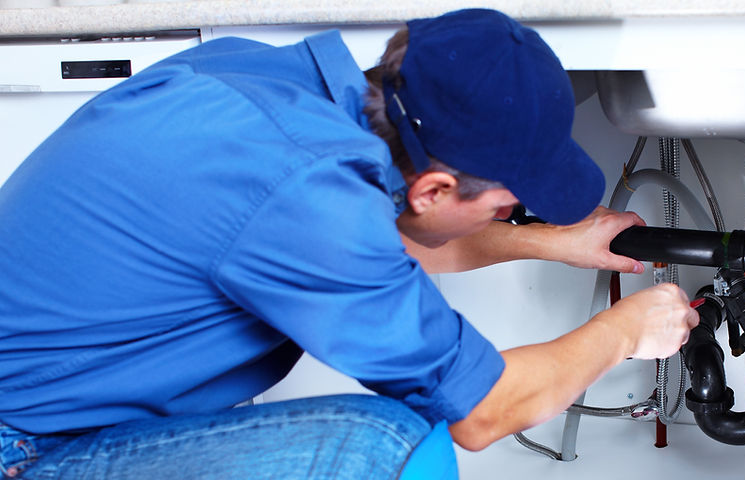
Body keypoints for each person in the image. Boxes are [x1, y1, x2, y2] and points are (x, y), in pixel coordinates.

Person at [0, 8, 698, 479]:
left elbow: (386, 241)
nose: (516, 215)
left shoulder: (261, 83)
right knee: (383, 445)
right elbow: (484, 414)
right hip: (25, 452)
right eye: (509, 205)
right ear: (432, 190)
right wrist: (624, 332)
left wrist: (557, 242)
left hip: (42, 414)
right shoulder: (305, 193)